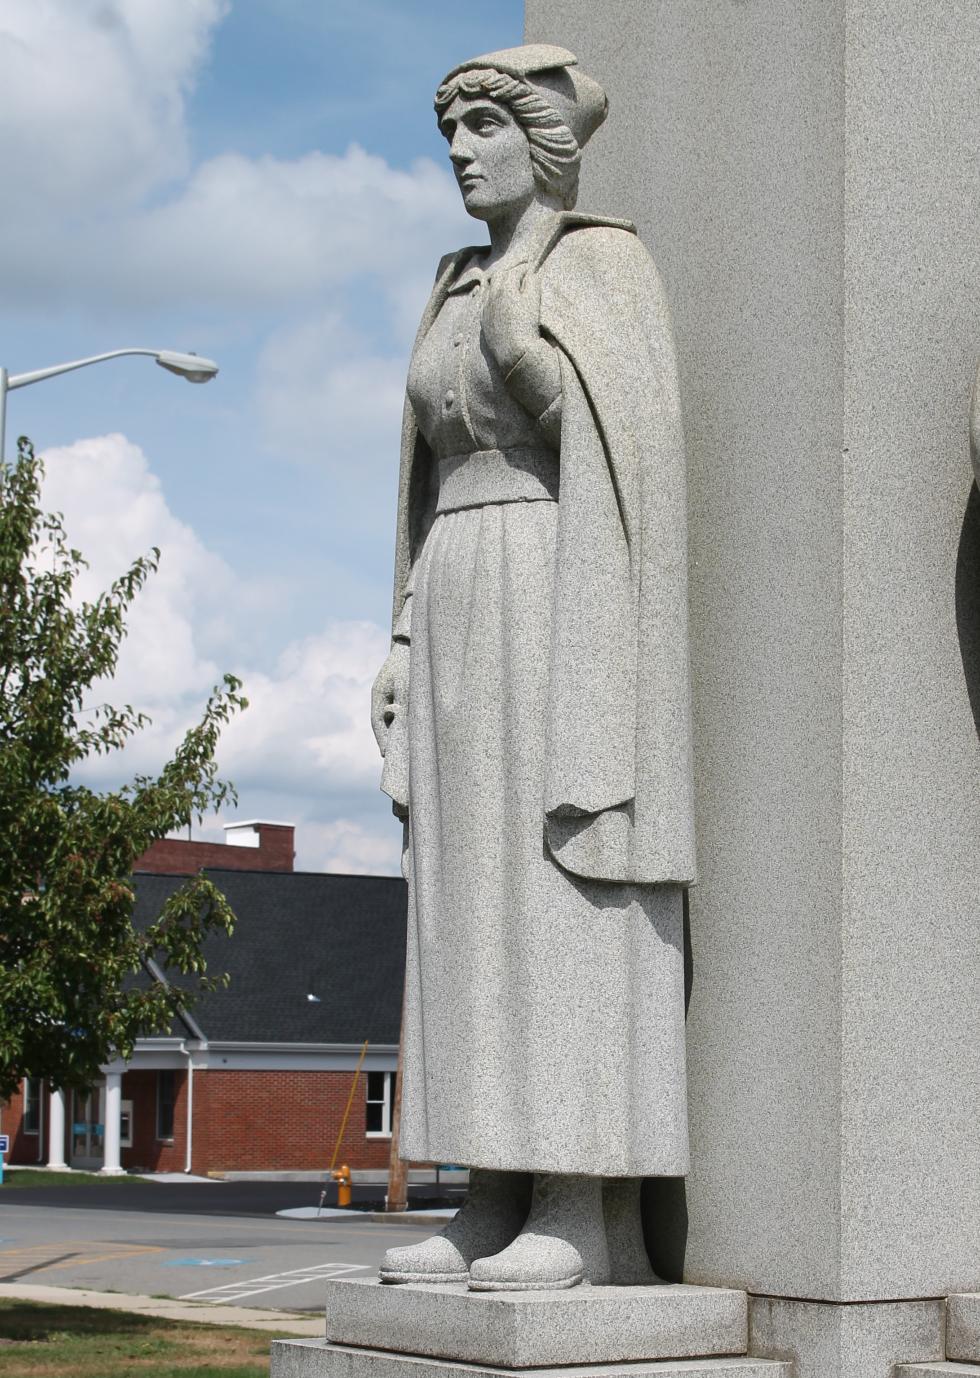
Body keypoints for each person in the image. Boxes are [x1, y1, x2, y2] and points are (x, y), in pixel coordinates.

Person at [371, 43, 696, 1292]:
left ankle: (581, 1202)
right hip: (455, 597)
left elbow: (633, 460)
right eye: (447, 132)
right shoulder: (450, 281)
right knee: (463, 902)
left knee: (554, 897)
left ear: (541, 141)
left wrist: (529, 357)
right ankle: (488, 1190)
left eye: (482, 129)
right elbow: (418, 483)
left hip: (560, 596)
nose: (459, 152)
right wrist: (398, 638)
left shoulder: (600, 266)